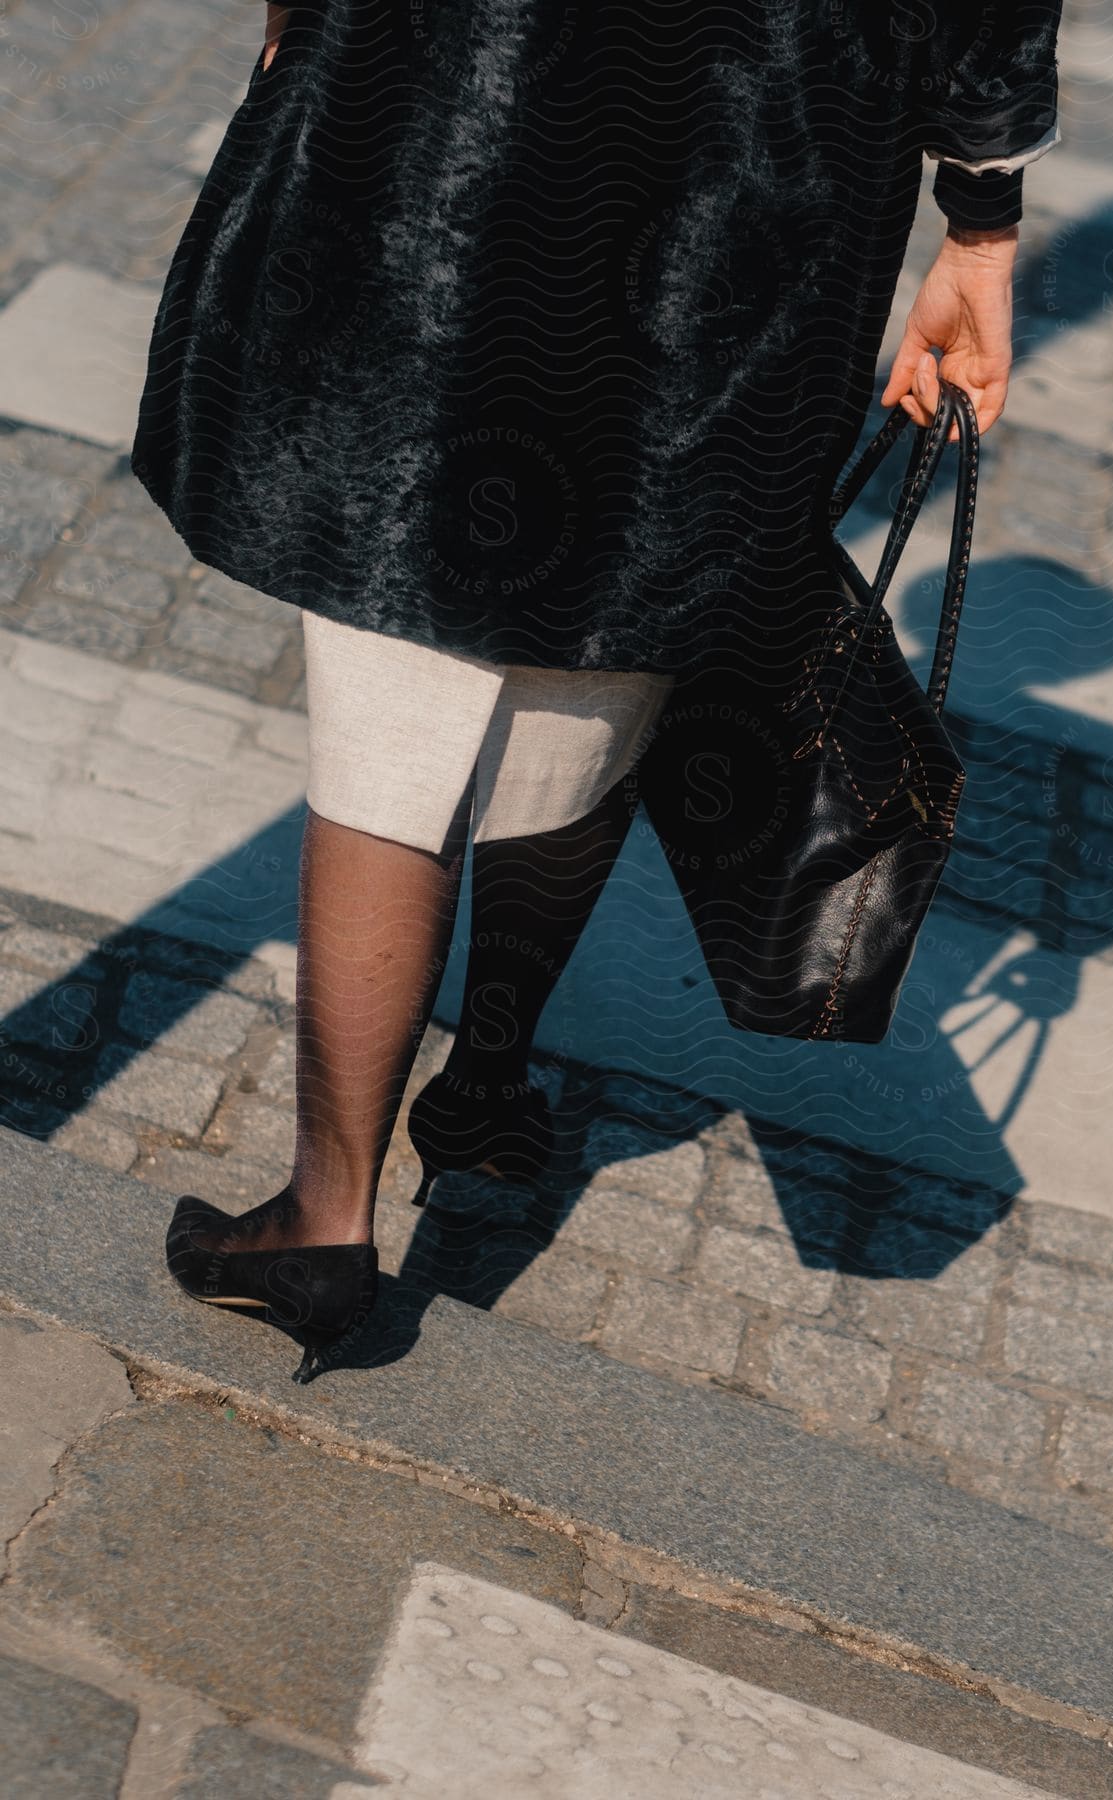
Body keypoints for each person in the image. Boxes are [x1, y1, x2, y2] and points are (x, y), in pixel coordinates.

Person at [132, 1, 1063, 1380]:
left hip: (456, 118)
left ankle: (327, 1218)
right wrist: (982, 216)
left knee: (411, 673)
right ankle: (490, 1079)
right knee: (620, 613)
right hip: (769, 154)